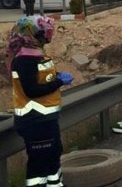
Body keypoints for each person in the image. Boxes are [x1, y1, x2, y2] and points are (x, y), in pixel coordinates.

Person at [7, 15, 72, 187]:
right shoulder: (24, 60)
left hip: (44, 120)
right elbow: (31, 90)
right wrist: (58, 82)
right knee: (39, 164)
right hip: (34, 120)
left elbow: (40, 79)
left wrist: (56, 76)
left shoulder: (34, 56)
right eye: (42, 35)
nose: (46, 38)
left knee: (52, 156)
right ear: (31, 36)